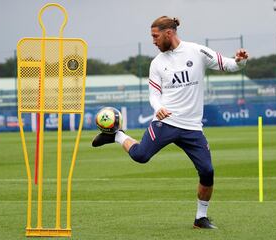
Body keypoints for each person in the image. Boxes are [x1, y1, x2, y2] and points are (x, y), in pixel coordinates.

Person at [92, 16, 249, 229]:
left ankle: (200, 218)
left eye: (155, 36)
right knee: (140, 156)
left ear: (169, 33)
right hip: (165, 123)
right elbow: (154, 95)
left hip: (192, 127)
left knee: (207, 171)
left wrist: (241, 60)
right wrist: (159, 109)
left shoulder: (197, 51)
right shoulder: (157, 63)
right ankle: (117, 135)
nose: (153, 41)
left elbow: (230, 65)